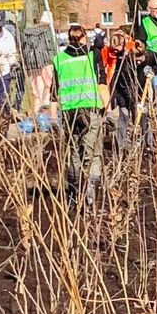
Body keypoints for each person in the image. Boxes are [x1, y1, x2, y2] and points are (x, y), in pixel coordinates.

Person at [53, 24, 110, 203]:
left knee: (73, 153)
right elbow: (102, 84)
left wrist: (54, 118)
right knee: (92, 154)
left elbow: (53, 92)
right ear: (84, 37)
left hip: (69, 112)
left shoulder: (59, 59)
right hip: (89, 108)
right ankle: (90, 191)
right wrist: (106, 109)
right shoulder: (93, 55)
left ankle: (74, 192)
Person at [21, 11, 58, 128]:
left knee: (36, 92)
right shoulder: (48, 32)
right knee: (48, 89)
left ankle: (34, 117)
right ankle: (46, 119)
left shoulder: (28, 33)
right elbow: (52, 49)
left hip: (32, 65)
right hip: (46, 63)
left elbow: (23, 49)